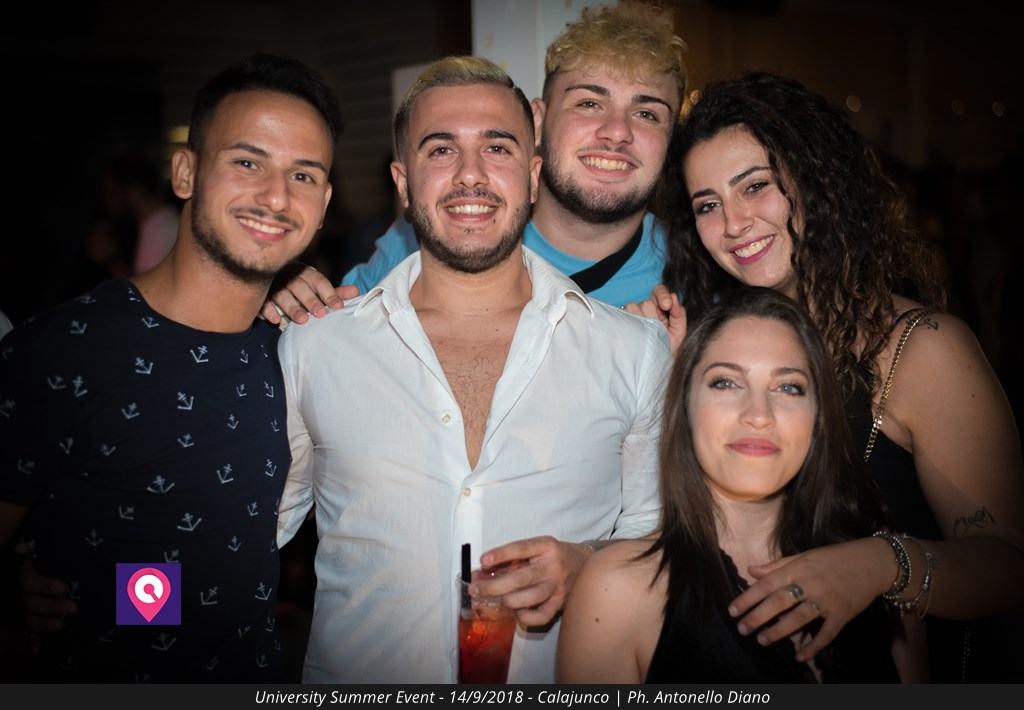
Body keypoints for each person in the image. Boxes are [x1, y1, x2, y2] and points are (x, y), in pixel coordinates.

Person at [275, 56, 670, 684]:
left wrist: (590, 562)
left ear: (533, 176)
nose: (470, 175)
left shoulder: (636, 351)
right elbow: (245, 533)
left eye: (497, 147)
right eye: (440, 150)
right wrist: (129, 615)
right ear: (403, 184)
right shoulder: (313, 344)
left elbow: (660, 538)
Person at [648, 71, 1024, 680]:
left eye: (756, 186)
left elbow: (1008, 566)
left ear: (817, 180)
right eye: (708, 205)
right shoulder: (718, 351)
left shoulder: (921, 350)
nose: (734, 223)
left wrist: (878, 564)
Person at [0, 53, 341, 681]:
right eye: (247, 162)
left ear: (323, 204)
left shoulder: (301, 351)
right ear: (186, 172)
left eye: (303, 175)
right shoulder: (61, 352)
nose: (275, 196)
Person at [261, 0, 687, 323]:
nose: (617, 131)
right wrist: (278, 291)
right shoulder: (431, 234)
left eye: (647, 113)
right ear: (538, 121)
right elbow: (331, 332)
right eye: (589, 103)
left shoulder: (694, 275)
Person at [559, 287, 903, 682]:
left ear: (818, 419)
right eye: (726, 383)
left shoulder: (871, 567)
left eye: (788, 387)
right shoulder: (618, 591)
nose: (759, 414)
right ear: (683, 407)